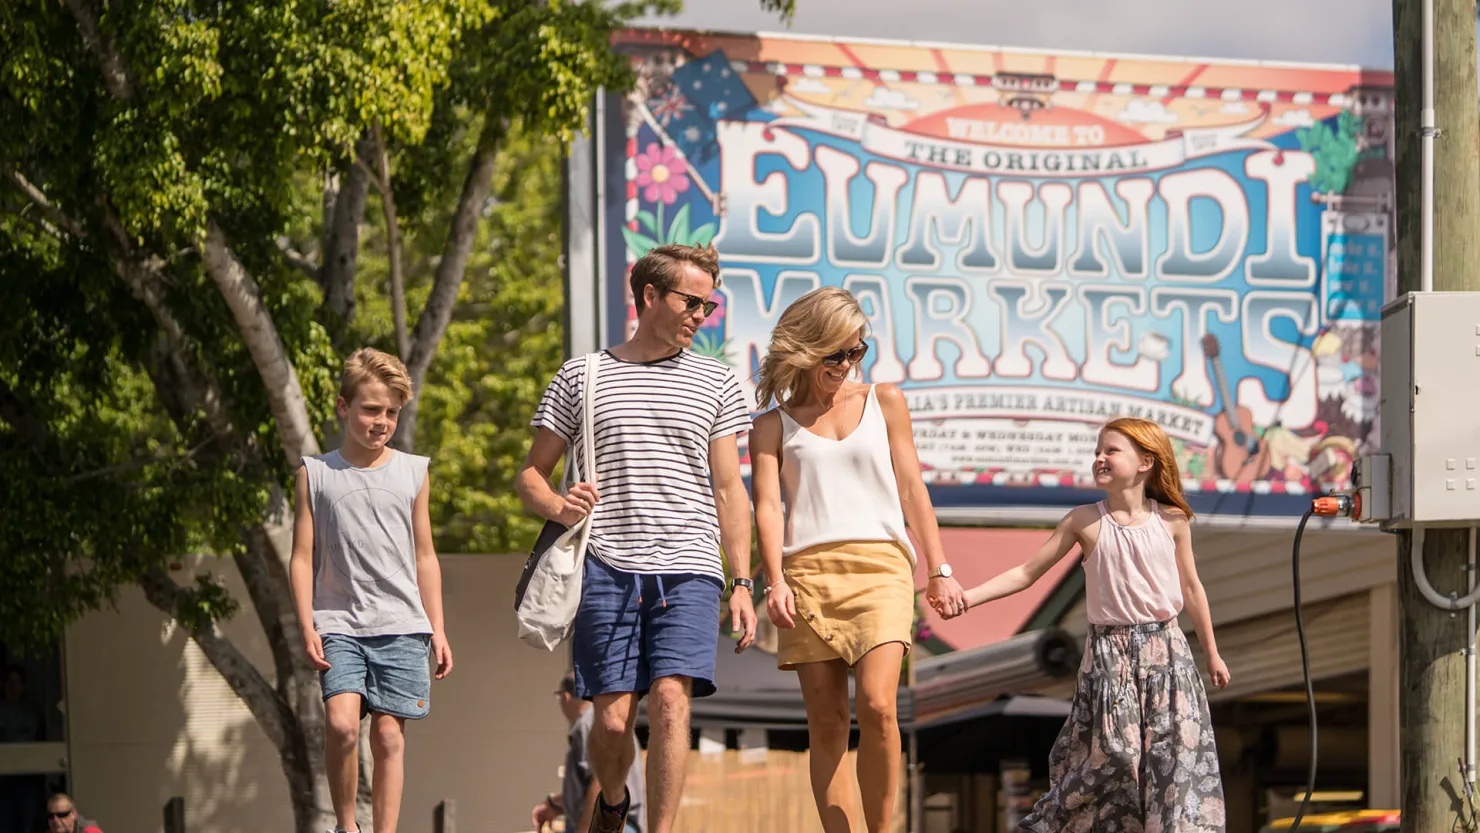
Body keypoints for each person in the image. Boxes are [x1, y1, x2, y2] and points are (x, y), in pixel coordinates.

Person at [516, 243, 758, 833]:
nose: (702, 315)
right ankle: (616, 800)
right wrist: (557, 503)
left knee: (673, 701)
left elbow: (730, 490)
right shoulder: (582, 375)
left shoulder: (718, 382)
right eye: (691, 301)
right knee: (611, 724)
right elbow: (529, 477)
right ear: (650, 295)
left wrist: (744, 582)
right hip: (605, 565)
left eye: (710, 304)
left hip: (691, 567)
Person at [748, 287, 965, 833]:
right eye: (836, 354)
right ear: (805, 348)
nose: (848, 365)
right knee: (826, 725)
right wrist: (773, 579)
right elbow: (768, 509)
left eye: (857, 352)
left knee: (878, 705)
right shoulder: (772, 426)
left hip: (882, 568)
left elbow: (914, 490)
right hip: (807, 575)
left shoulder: (886, 400)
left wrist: (938, 568)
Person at [948, 417, 1232, 833]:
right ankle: (1051, 824)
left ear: (1145, 462)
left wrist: (1212, 653)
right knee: (1116, 754)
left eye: (1111, 451)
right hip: (1110, 655)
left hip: (1168, 653)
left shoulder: (1172, 520)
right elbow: (1026, 573)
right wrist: (967, 598)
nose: (1099, 458)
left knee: (1173, 763)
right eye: (1098, 451)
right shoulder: (1085, 521)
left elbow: (1192, 587)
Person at [289, 348, 454, 833]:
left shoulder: (412, 471)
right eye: (370, 409)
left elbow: (425, 555)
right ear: (343, 407)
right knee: (341, 725)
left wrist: (438, 628)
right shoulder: (315, 473)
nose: (381, 421)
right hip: (338, 623)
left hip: (402, 625)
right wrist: (307, 623)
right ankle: (346, 826)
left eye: (391, 412)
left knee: (388, 737)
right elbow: (301, 557)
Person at [532, 672, 646, 833]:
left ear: (565, 697)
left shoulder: (589, 723)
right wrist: (555, 804)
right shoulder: (600, 720)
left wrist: (586, 828)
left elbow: (601, 782)